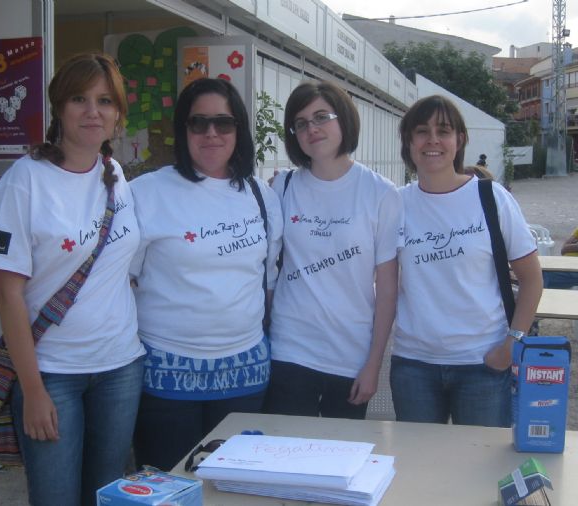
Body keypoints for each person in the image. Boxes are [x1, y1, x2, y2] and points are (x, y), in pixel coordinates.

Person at [0, 53, 145, 506]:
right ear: (59, 107)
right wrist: (32, 390)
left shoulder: (116, 178)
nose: (93, 111)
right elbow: (8, 292)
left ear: (118, 115)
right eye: (80, 98)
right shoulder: (24, 182)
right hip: (52, 374)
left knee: (107, 493)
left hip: (120, 368)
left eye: (105, 101)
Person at [130, 78, 283, 471]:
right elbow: (124, 281)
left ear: (239, 130)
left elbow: (266, 282)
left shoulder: (261, 195)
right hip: (165, 379)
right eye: (199, 123)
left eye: (223, 123)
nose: (211, 133)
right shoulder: (146, 193)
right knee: (169, 488)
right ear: (183, 130)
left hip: (245, 376)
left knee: (233, 490)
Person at [391, 95, 543, 427]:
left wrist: (511, 345)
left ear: (459, 140)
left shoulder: (491, 197)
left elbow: (532, 280)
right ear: (408, 141)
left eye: (443, 130)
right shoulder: (395, 204)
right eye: (421, 131)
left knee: (480, 470)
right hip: (414, 365)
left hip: (483, 363)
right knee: (421, 468)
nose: (432, 140)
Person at [263, 80, 403, 419]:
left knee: (339, 460)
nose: (312, 128)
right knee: (289, 458)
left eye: (322, 116)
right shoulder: (281, 187)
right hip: (289, 348)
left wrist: (373, 363)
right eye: (301, 123)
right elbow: (266, 270)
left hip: (350, 353)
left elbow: (387, 290)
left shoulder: (381, 193)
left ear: (344, 119)